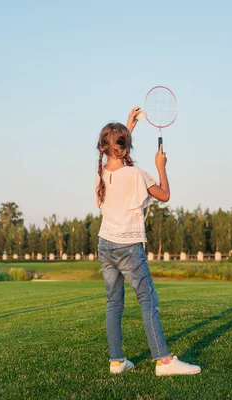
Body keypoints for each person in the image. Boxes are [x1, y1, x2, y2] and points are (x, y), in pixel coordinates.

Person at [95, 108, 201, 375]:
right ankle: (164, 362)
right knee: (148, 300)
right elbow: (164, 194)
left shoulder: (100, 174)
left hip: (105, 244)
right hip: (128, 247)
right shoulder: (136, 174)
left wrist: (130, 125)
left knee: (113, 303)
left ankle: (117, 362)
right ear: (125, 147)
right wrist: (161, 167)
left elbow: (118, 151)